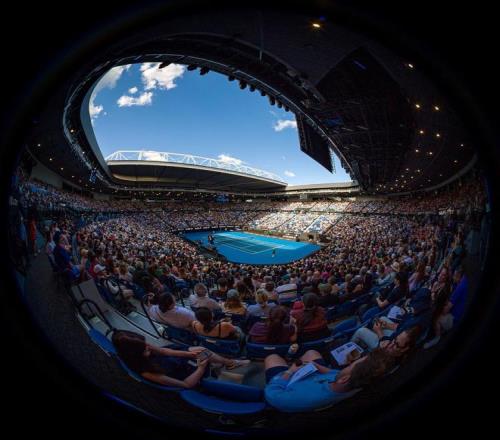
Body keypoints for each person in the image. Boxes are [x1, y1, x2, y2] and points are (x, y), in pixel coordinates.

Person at [112, 330, 248, 388]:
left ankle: (229, 363)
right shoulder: (148, 373)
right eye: (145, 349)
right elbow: (185, 385)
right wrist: (200, 368)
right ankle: (215, 370)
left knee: (202, 351)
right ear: (135, 354)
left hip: (181, 361)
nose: (149, 347)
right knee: (204, 355)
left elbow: (166, 351)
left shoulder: (144, 346)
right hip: (188, 373)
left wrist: (189, 354)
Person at [263, 349, 378, 412]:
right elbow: (334, 374)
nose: (349, 364)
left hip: (285, 383)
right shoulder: (349, 382)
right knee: (311, 353)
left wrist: (290, 371)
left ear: (344, 379)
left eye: (351, 365)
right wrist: (316, 365)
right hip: (315, 376)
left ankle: (287, 363)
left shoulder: (293, 400)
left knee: (272, 357)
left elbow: (272, 391)